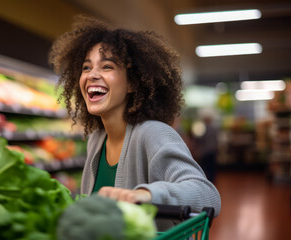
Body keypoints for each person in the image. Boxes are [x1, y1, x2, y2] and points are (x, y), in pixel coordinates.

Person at [49, 15, 221, 219]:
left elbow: (208, 195)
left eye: (107, 66)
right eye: (86, 67)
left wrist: (144, 195)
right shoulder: (96, 140)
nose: (91, 75)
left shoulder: (152, 133)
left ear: (132, 83)